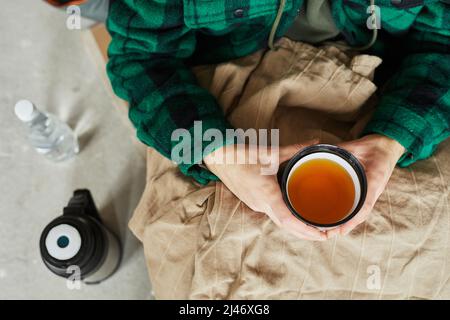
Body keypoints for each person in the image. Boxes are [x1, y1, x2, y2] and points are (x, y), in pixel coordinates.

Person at [104, 1, 449, 241]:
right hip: (216, 102)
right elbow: (141, 57)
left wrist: (394, 141)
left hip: (393, 90)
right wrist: (217, 154)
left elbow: (442, 42)